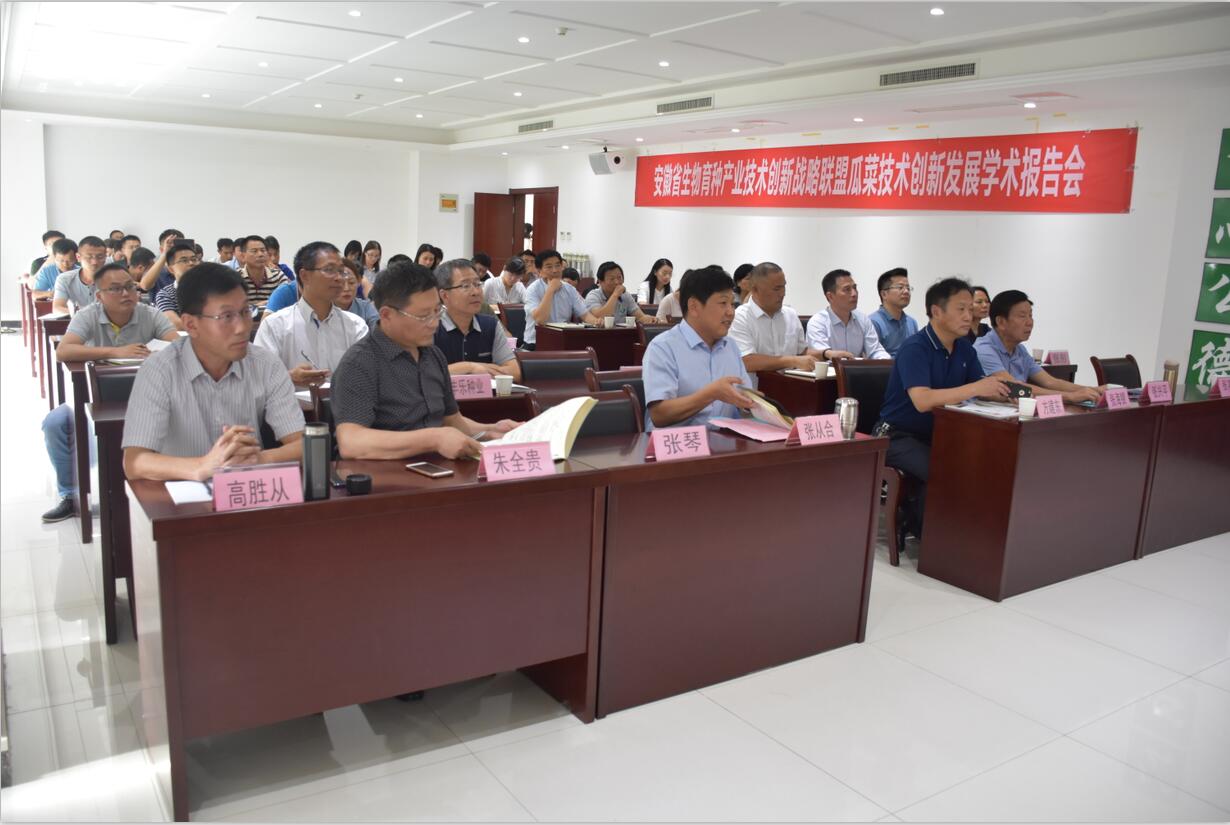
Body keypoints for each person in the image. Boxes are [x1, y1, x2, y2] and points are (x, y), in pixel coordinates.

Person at [122, 263, 305, 482]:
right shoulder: (158, 370)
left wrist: (258, 459)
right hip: (182, 492)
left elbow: (302, 444)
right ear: (191, 325)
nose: (242, 327)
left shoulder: (266, 364)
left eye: (245, 312)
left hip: (246, 488)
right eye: (226, 316)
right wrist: (203, 466)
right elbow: (134, 462)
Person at [330, 262, 519, 460]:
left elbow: (451, 421)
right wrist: (433, 439)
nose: (434, 323)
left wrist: (492, 430)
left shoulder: (433, 356)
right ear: (386, 315)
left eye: (437, 311)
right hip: (384, 474)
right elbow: (351, 442)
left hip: (438, 468)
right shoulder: (359, 363)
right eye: (423, 316)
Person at [875, 278, 1010, 539]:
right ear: (937, 311)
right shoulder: (915, 348)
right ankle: (931, 537)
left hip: (940, 434)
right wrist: (977, 388)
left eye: (970, 309)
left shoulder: (964, 348)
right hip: (897, 436)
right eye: (961, 309)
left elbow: (981, 387)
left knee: (983, 463)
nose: (968, 315)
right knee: (946, 470)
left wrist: (1006, 395)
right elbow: (923, 400)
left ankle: (960, 534)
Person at [41, 265, 178, 522]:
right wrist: (116, 352)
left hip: (145, 395)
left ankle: (155, 491)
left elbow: (177, 344)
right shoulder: (88, 315)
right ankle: (70, 496)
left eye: (129, 287)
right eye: (115, 289)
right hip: (92, 395)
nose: (126, 293)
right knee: (55, 423)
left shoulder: (150, 314)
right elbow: (64, 351)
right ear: (99, 295)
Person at [643, 265, 753, 430]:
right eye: (723, 303)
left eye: (732, 304)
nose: (731, 312)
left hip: (723, 441)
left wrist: (753, 403)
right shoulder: (663, 348)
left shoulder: (730, 346)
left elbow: (745, 395)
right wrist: (711, 394)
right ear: (694, 306)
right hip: (679, 443)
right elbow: (659, 414)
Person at [254, 241, 369, 387]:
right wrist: (288, 377)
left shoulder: (355, 326)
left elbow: (369, 377)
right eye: (329, 270)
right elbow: (257, 379)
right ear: (304, 276)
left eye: (341, 271)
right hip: (292, 401)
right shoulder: (275, 326)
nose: (339, 278)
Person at [974, 290, 1103, 403]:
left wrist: (1095, 390)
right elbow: (1014, 388)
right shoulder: (984, 349)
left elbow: (1050, 382)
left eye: (1030, 315)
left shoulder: (1020, 350)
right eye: (1022, 316)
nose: (1030, 322)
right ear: (1001, 322)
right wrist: (1070, 397)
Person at [729, 262, 820, 386]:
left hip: (792, 390)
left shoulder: (790, 314)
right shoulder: (740, 317)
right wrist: (791, 360)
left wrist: (826, 354)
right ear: (755, 290)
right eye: (776, 289)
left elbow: (802, 352)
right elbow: (746, 361)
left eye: (783, 287)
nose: (783, 293)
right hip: (753, 393)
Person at [434, 259, 521, 381]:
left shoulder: (490, 325)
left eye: (477, 284)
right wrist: (470, 367)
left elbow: (515, 372)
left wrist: (456, 370)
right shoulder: (431, 327)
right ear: (444, 295)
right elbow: (423, 374)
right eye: (465, 286)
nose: (475, 292)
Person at [805, 269, 890, 360]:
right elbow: (822, 356)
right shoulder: (817, 323)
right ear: (830, 296)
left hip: (857, 368)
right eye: (847, 289)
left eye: (855, 288)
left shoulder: (863, 319)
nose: (854, 294)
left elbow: (875, 350)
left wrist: (887, 361)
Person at [523, 249, 599, 349]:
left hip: (563, 340)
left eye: (557, 265)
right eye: (549, 267)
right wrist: (550, 290)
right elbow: (540, 319)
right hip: (536, 342)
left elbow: (584, 314)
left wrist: (596, 322)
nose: (555, 270)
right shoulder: (532, 290)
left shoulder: (569, 289)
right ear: (539, 271)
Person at [584, 261, 656, 325]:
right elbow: (600, 317)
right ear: (600, 282)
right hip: (599, 334)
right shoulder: (593, 296)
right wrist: (615, 295)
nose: (617, 282)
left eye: (619, 277)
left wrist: (650, 319)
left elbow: (640, 317)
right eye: (612, 279)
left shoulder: (625, 295)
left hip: (621, 333)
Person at [870, 267, 920, 357]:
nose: (906, 291)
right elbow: (872, 359)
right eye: (900, 287)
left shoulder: (912, 322)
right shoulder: (873, 322)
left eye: (908, 288)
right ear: (884, 294)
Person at [52, 236, 108, 314]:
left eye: (100, 257)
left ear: (105, 257)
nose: (94, 262)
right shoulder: (64, 279)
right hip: (76, 320)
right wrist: (84, 314)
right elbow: (57, 308)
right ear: (78, 257)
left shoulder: (115, 278)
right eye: (89, 257)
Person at [153, 240, 201, 330]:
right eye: (184, 260)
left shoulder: (210, 289)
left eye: (194, 259)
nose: (191, 263)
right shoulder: (165, 295)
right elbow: (176, 324)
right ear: (171, 269)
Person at [237, 235, 288, 307]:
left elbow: (286, 302)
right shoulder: (236, 278)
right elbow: (233, 306)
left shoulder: (278, 276)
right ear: (243, 256)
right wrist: (257, 307)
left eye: (263, 250)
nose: (260, 254)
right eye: (254, 251)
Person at [136, 228, 185, 300]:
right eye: (172, 247)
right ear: (162, 250)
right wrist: (165, 254)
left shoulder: (190, 267)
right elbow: (145, 286)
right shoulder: (157, 271)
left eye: (181, 246)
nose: (177, 250)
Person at [336, 258, 380, 327]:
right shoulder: (323, 309)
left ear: (359, 281)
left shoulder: (366, 308)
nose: (346, 289)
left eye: (351, 282)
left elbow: (377, 325)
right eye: (341, 283)